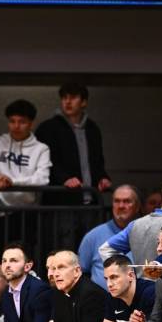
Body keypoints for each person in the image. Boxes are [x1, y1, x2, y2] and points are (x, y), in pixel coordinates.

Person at [36, 83, 111, 249]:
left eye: (73, 97)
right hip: (62, 201)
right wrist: (64, 179)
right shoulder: (49, 128)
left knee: (90, 248)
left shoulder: (92, 128)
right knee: (63, 248)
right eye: (64, 98)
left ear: (83, 102)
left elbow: (97, 161)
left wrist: (102, 178)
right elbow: (45, 162)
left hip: (89, 201)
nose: (67, 102)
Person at [0, 99, 51, 261]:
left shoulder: (41, 149)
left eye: (22, 122)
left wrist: (12, 182)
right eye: (12, 121)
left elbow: (43, 179)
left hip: (25, 213)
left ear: (31, 124)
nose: (16, 126)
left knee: (22, 263)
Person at [99, 182, 162, 278]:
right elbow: (106, 249)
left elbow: (105, 249)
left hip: (141, 288)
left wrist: (127, 276)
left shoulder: (135, 224)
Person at [78, 185, 141, 290]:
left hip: (139, 302)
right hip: (101, 303)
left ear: (138, 207)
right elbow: (80, 273)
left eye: (127, 201)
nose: (121, 206)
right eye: (117, 201)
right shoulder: (93, 236)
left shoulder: (146, 234)